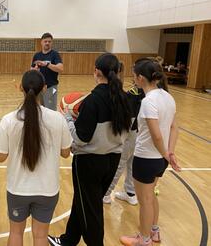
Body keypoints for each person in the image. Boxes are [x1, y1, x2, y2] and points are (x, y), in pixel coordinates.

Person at [48, 53, 132, 246]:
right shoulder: (124, 99)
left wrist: (67, 118)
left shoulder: (93, 100)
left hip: (89, 162)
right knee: (84, 202)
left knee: (91, 210)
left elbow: (81, 138)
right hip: (113, 160)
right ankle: (68, 240)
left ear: (96, 71)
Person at [0, 70, 72, 246]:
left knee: (15, 233)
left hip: (18, 188)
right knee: (41, 237)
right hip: (47, 189)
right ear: (44, 88)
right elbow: (66, 153)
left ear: (20, 88)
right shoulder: (57, 119)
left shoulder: (8, 120)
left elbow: (0, 156)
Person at [120, 59, 180, 246]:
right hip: (159, 160)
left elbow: (156, 136)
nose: (133, 79)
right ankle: (154, 232)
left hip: (146, 158)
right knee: (151, 195)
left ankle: (143, 239)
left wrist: (165, 154)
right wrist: (169, 153)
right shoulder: (168, 97)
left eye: (135, 76)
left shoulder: (148, 101)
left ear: (140, 78)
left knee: (144, 200)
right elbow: (174, 127)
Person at [103, 63, 145, 206]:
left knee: (120, 162)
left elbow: (129, 115)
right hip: (141, 134)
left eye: (134, 75)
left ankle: (107, 193)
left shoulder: (135, 94)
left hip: (133, 131)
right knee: (132, 161)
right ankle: (130, 192)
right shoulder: (152, 92)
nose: (132, 78)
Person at [31, 33, 63, 111]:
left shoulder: (55, 54)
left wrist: (47, 64)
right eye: (45, 41)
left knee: (51, 110)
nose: (47, 43)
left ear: (51, 43)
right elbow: (31, 69)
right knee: (39, 110)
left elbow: (60, 68)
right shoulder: (37, 55)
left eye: (49, 41)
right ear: (41, 42)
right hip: (39, 88)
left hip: (51, 87)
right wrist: (34, 70)